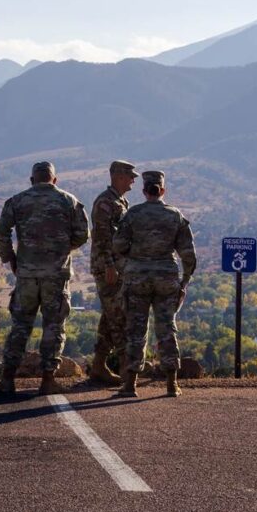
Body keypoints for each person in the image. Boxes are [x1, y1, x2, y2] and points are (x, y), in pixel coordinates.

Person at [0, 161, 89, 395]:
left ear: (32, 180)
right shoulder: (69, 201)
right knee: (54, 327)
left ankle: (7, 379)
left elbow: (0, 232)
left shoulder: (17, 201)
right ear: (54, 180)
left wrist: (12, 259)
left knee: (20, 326)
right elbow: (83, 234)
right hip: (56, 275)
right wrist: (62, 249)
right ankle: (47, 379)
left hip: (26, 274)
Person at [113, 170, 196, 398]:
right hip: (166, 279)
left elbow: (118, 245)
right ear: (162, 190)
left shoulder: (133, 215)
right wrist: (184, 283)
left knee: (136, 330)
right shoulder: (175, 216)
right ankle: (171, 384)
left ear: (143, 191)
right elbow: (188, 256)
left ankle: (130, 385)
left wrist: (129, 266)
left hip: (137, 278)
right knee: (167, 328)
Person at [88, 160, 138, 386]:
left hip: (117, 268)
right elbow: (101, 238)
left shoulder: (120, 201)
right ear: (117, 177)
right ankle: (127, 368)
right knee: (118, 316)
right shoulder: (105, 203)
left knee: (110, 317)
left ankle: (99, 366)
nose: (133, 180)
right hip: (108, 269)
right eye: (130, 175)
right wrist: (109, 266)